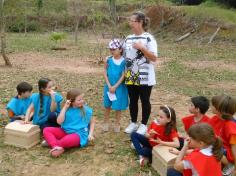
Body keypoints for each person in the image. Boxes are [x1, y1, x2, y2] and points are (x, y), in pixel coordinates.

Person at [123, 11, 158, 135]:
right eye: (130, 21)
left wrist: (142, 48)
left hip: (145, 76)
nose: (130, 23)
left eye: (132, 21)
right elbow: (124, 56)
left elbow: (154, 58)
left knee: (144, 100)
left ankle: (143, 124)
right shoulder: (127, 38)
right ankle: (133, 122)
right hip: (131, 75)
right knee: (132, 100)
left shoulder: (149, 38)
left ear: (140, 22)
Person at [43, 88, 95, 157]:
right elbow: (59, 122)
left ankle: (52, 143)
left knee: (66, 140)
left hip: (78, 134)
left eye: (82, 99)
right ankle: (55, 146)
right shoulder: (66, 109)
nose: (82, 101)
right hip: (65, 131)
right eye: (79, 100)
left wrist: (90, 134)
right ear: (72, 101)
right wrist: (65, 108)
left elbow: (92, 122)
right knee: (46, 130)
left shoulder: (86, 109)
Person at [103, 39, 128, 133]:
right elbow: (105, 71)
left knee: (118, 106)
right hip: (108, 86)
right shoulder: (108, 60)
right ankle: (105, 122)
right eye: (110, 49)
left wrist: (115, 86)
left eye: (114, 49)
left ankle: (117, 123)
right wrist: (109, 85)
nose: (112, 51)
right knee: (107, 105)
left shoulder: (124, 61)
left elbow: (123, 75)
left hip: (119, 87)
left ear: (121, 49)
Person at [216, 95, 236, 176]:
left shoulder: (230, 126)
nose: (215, 110)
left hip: (228, 153)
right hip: (224, 148)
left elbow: (234, 147)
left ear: (221, 111)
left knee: (212, 149)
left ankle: (229, 165)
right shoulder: (226, 120)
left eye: (217, 108)